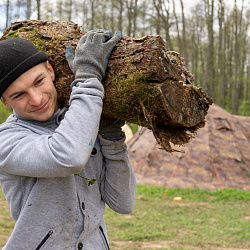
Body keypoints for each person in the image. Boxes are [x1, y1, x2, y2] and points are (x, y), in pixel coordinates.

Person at [0, 30, 136, 249]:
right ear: (5, 102)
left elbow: (123, 202)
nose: (36, 99)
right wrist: (88, 77)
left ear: (50, 71)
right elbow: (69, 156)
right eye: (19, 95)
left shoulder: (81, 120)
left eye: (39, 81)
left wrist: (111, 138)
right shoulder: (6, 141)